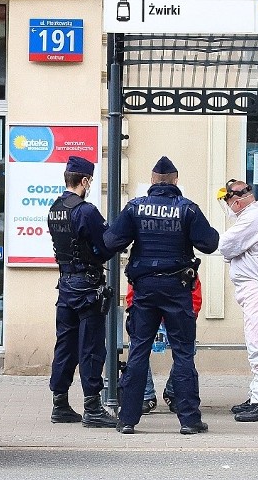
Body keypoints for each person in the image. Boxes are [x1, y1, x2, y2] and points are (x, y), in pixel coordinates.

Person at [104, 156, 219, 435]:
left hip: (144, 290)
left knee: (139, 350)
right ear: (175, 180)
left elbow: (111, 242)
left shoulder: (135, 208)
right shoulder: (188, 209)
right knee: (182, 353)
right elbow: (210, 242)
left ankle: (128, 419)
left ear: (153, 180)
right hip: (178, 289)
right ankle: (189, 420)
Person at [47, 155, 117, 428]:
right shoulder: (85, 210)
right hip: (87, 286)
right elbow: (106, 244)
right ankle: (93, 408)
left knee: (65, 345)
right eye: (90, 181)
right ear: (85, 180)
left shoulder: (55, 208)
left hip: (65, 285)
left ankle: (60, 404)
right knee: (90, 347)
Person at [217, 179, 258, 423]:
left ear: (236, 201)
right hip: (257, 289)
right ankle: (257, 395)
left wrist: (231, 253)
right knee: (256, 342)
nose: (228, 208)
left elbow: (225, 245)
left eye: (227, 202)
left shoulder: (253, 218)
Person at [128, 276, 202, 414]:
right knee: (138, 351)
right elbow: (132, 293)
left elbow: (195, 295)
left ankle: (172, 392)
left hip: (175, 315)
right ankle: (147, 395)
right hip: (149, 315)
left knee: (187, 351)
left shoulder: (181, 267)